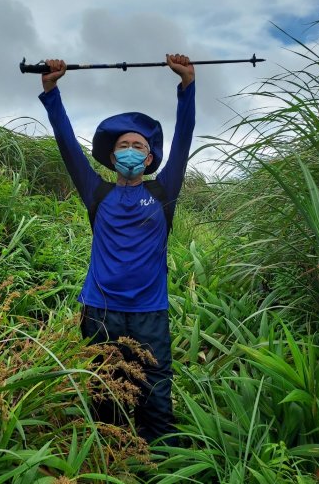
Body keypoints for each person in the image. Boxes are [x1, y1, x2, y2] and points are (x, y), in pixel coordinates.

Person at [39, 54, 195, 444]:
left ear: (149, 157)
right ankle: (108, 457)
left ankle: (162, 461)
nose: (129, 149)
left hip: (149, 313)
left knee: (155, 394)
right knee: (103, 392)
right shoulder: (98, 192)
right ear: (112, 157)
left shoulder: (163, 192)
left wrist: (187, 86)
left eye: (137, 145)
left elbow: (185, 137)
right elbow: (66, 145)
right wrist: (51, 91)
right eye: (123, 145)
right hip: (100, 310)